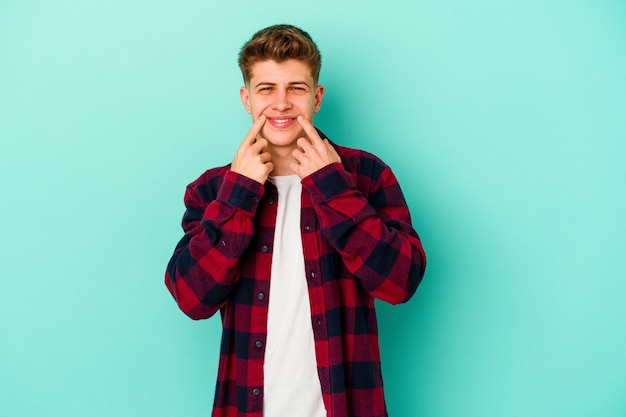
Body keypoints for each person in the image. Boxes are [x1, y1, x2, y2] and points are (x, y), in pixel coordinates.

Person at [165, 24, 427, 417]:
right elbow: (192, 297)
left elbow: (400, 282)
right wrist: (239, 193)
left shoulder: (366, 175)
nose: (282, 103)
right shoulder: (213, 189)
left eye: (297, 88)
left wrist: (332, 188)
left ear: (317, 97)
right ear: (246, 98)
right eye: (267, 89)